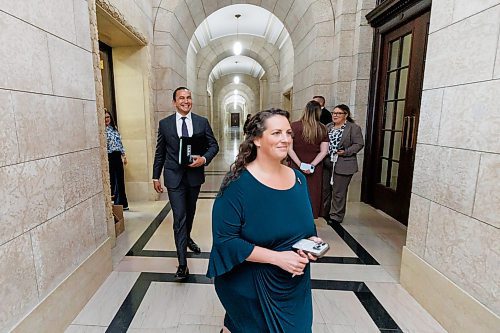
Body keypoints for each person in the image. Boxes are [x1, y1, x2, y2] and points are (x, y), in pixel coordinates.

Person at [207, 109, 323, 333]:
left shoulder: (298, 179)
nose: (285, 139)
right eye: (276, 133)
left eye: (288, 133)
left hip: (293, 282)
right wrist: (278, 258)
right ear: (257, 140)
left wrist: (310, 243)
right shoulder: (237, 185)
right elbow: (226, 241)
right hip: (252, 283)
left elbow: (305, 228)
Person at [152, 87, 219, 280]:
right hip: (174, 177)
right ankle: (182, 264)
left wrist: (204, 159)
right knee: (179, 218)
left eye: (188, 97)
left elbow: (213, 145)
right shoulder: (165, 124)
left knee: (190, 213)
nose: (186, 101)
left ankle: (187, 238)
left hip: (194, 176)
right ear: (174, 102)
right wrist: (156, 176)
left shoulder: (201, 122)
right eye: (181, 98)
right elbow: (160, 152)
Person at [323, 104, 364, 224]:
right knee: (326, 190)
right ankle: (325, 212)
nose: (335, 115)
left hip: (344, 163)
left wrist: (345, 152)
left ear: (346, 115)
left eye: (338, 113)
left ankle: (336, 216)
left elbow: (359, 144)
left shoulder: (353, 128)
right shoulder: (328, 126)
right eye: (333, 113)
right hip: (327, 162)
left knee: (338, 192)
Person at [287, 100, 328, 219]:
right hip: (315, 165)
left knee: (296, 189)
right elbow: (324, 151)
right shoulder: (323, 128)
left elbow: (290, 149)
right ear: (318, 112)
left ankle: (295, 213)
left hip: (296, 163)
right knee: (313, 191)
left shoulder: (294, 126)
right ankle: (311, 213)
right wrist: (312, 165)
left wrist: (300, 164)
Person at [105, 110, 129, 210]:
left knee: (120, 179)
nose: (106, 119)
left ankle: (123, 203)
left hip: (117, 155)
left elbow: (119, 143)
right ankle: (114, 203)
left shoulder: (114, 129)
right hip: (109, 156)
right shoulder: (102, 131)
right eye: (105, 117)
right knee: (112, 180)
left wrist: (124, 155)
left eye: (108, 117)